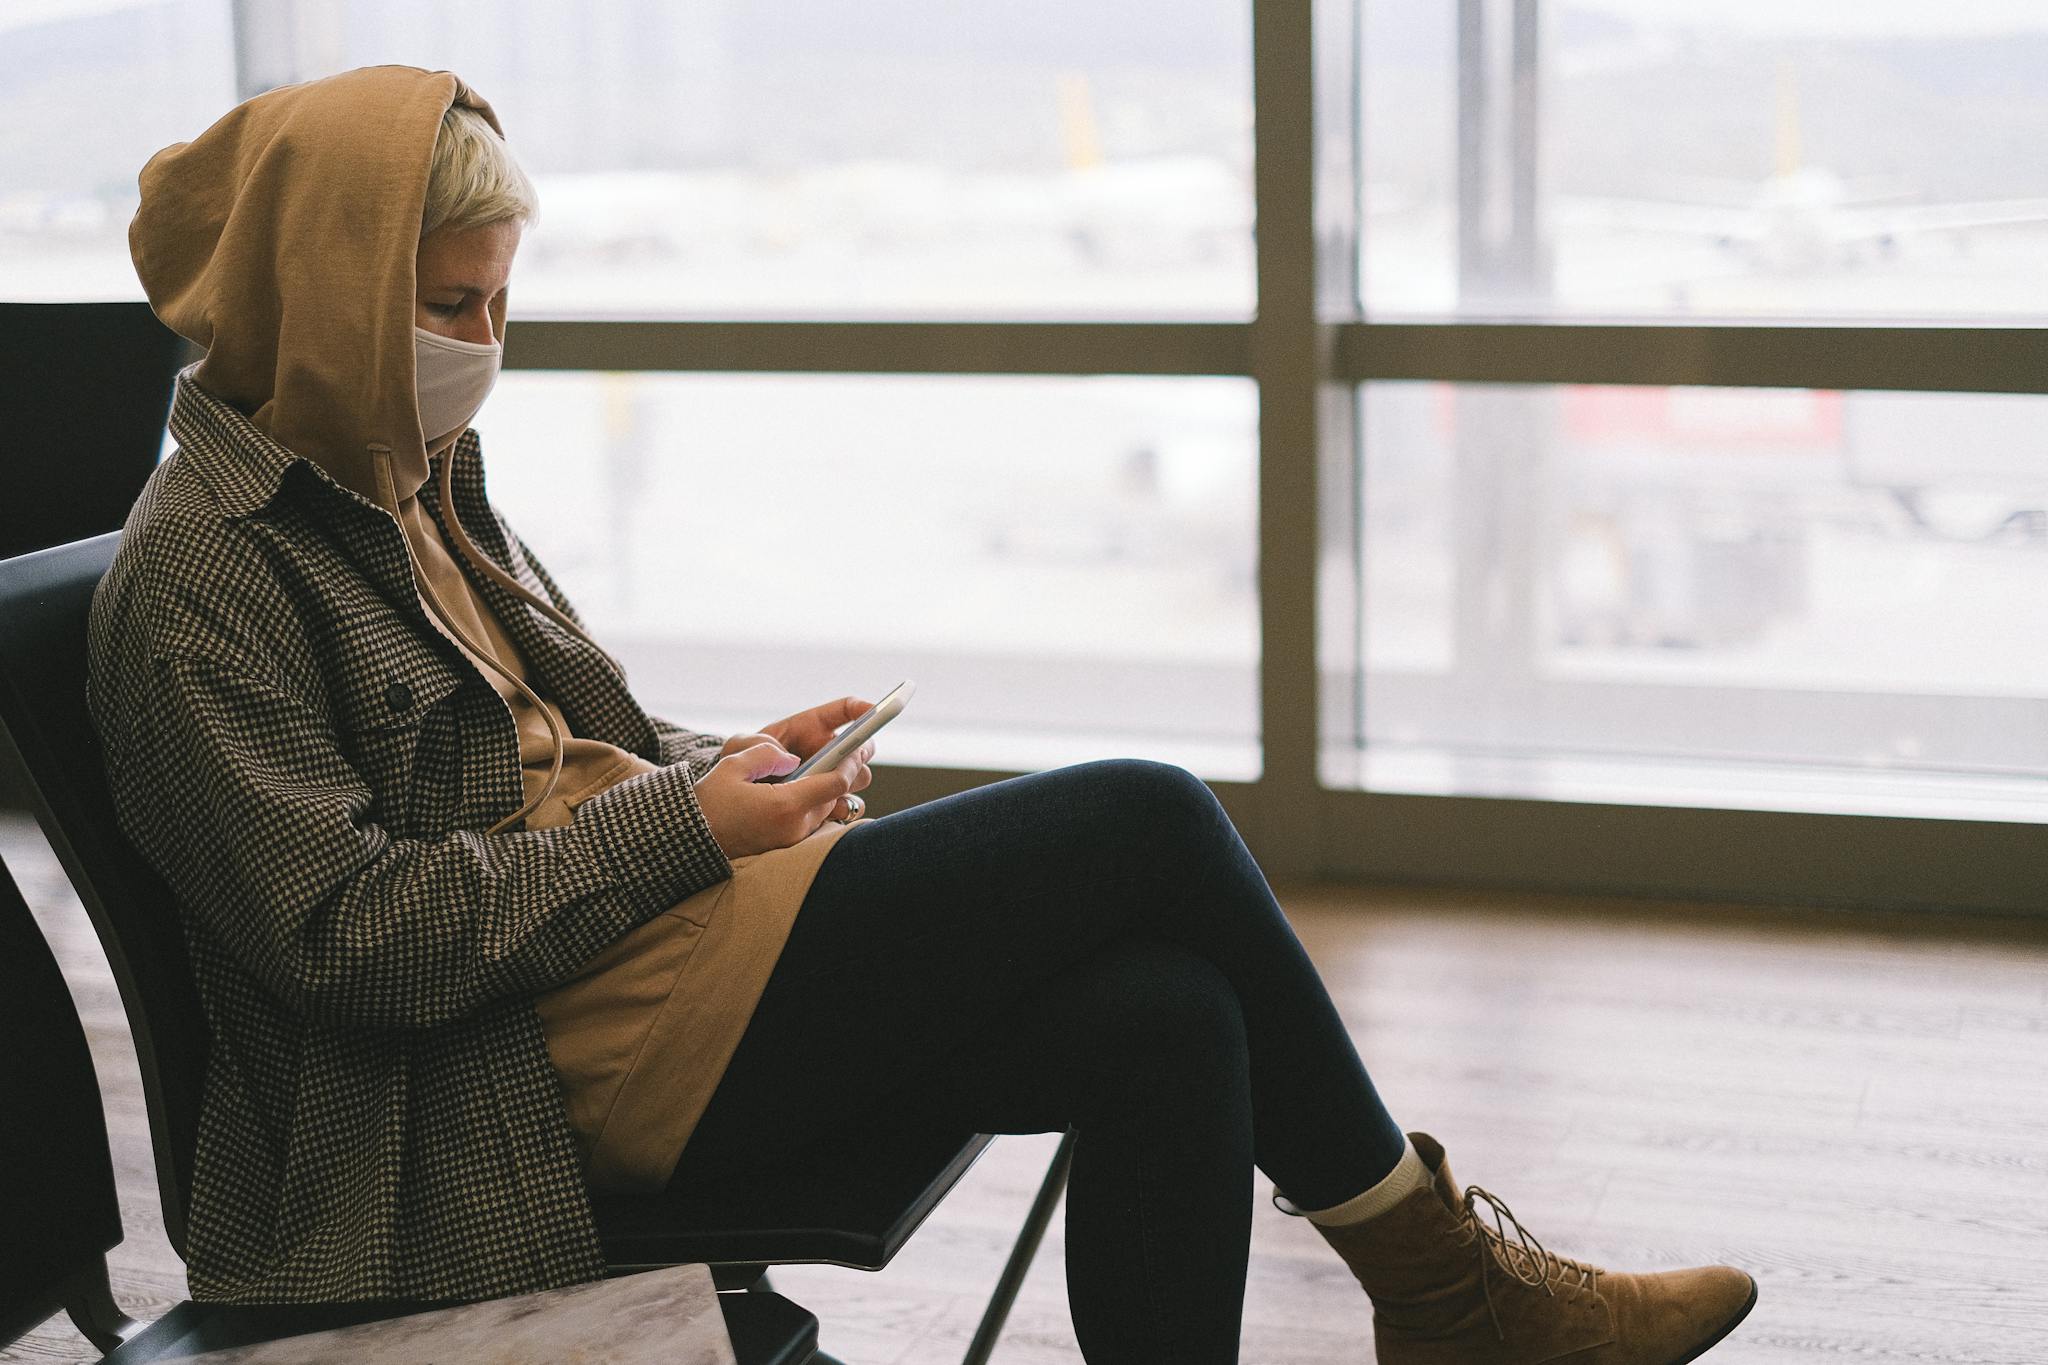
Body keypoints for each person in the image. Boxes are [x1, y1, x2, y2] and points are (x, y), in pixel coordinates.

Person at [89, 65, 1756, 1365]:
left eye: (500, 304)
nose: (483, 348)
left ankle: (1452, 1299)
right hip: (511, 1079)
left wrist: (718, 768)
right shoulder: (200, 584)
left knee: (1172, 1016)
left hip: (640, 958)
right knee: (1146, 816)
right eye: (448, 309)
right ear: (319, 293)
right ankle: (1449, 1289)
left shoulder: (409, 474)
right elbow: (358, 940)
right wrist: (687, 825)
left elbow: (546, 755)